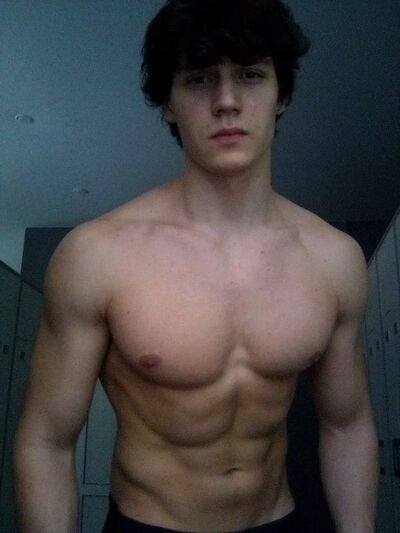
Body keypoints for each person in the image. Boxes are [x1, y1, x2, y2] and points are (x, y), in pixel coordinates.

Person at [14, 0, 379, 532]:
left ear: (282, 94)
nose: (226, 102)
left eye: (250, 75)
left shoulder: (334, 259)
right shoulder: (97, 256)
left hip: (278, 522)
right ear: (169, 102)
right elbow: (46, 441)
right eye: (200, 79)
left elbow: (347, 425)